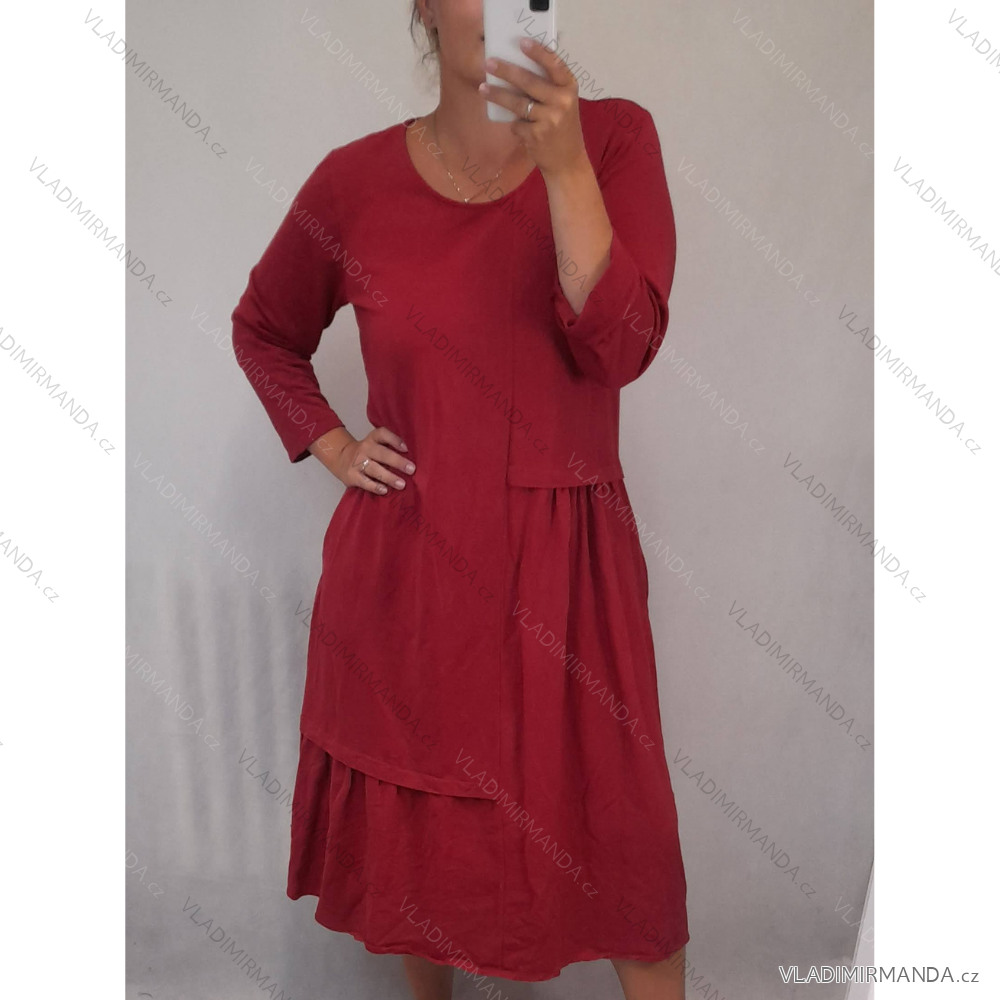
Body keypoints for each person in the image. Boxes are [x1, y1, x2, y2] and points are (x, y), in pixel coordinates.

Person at [231, 1, 688, 996]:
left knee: (626, 852)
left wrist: (564, 168)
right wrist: (334, 443)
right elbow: (264, 328)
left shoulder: (615, 141)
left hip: (569, 580)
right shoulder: (352, 183)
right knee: (425, 843)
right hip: (411, 572)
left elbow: (619, 347)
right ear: (426, 7)